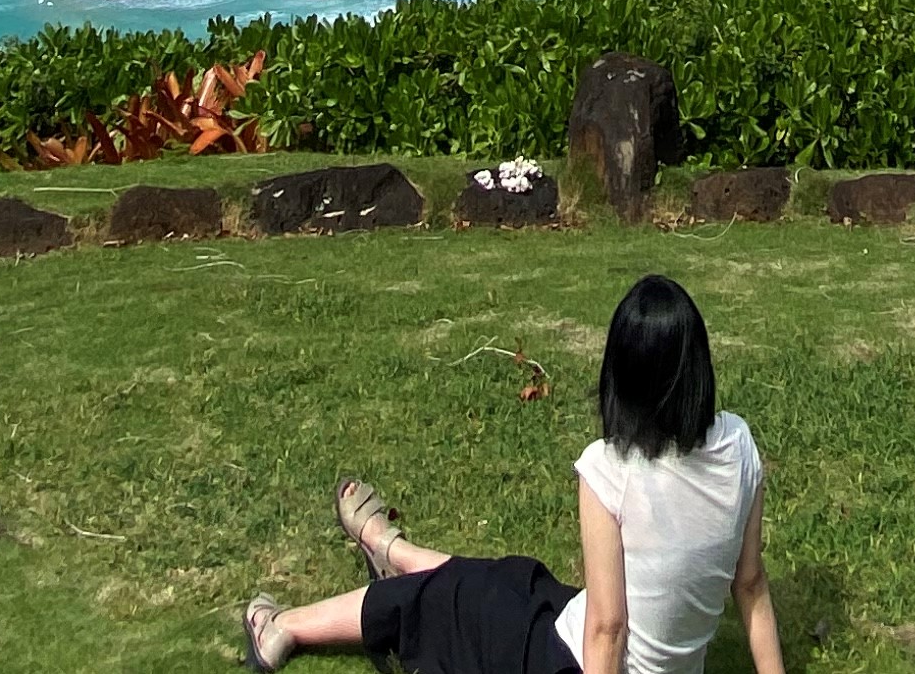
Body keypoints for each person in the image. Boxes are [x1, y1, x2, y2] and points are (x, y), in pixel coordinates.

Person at [245, 272, 786, 674]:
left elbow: (608, 630)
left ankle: (283, 627)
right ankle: (398, 554)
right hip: (586, 628)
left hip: (571, 660)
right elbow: (751, 585)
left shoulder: (609, 469)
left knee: (442, 603)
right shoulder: (738, 443)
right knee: (513, 580)